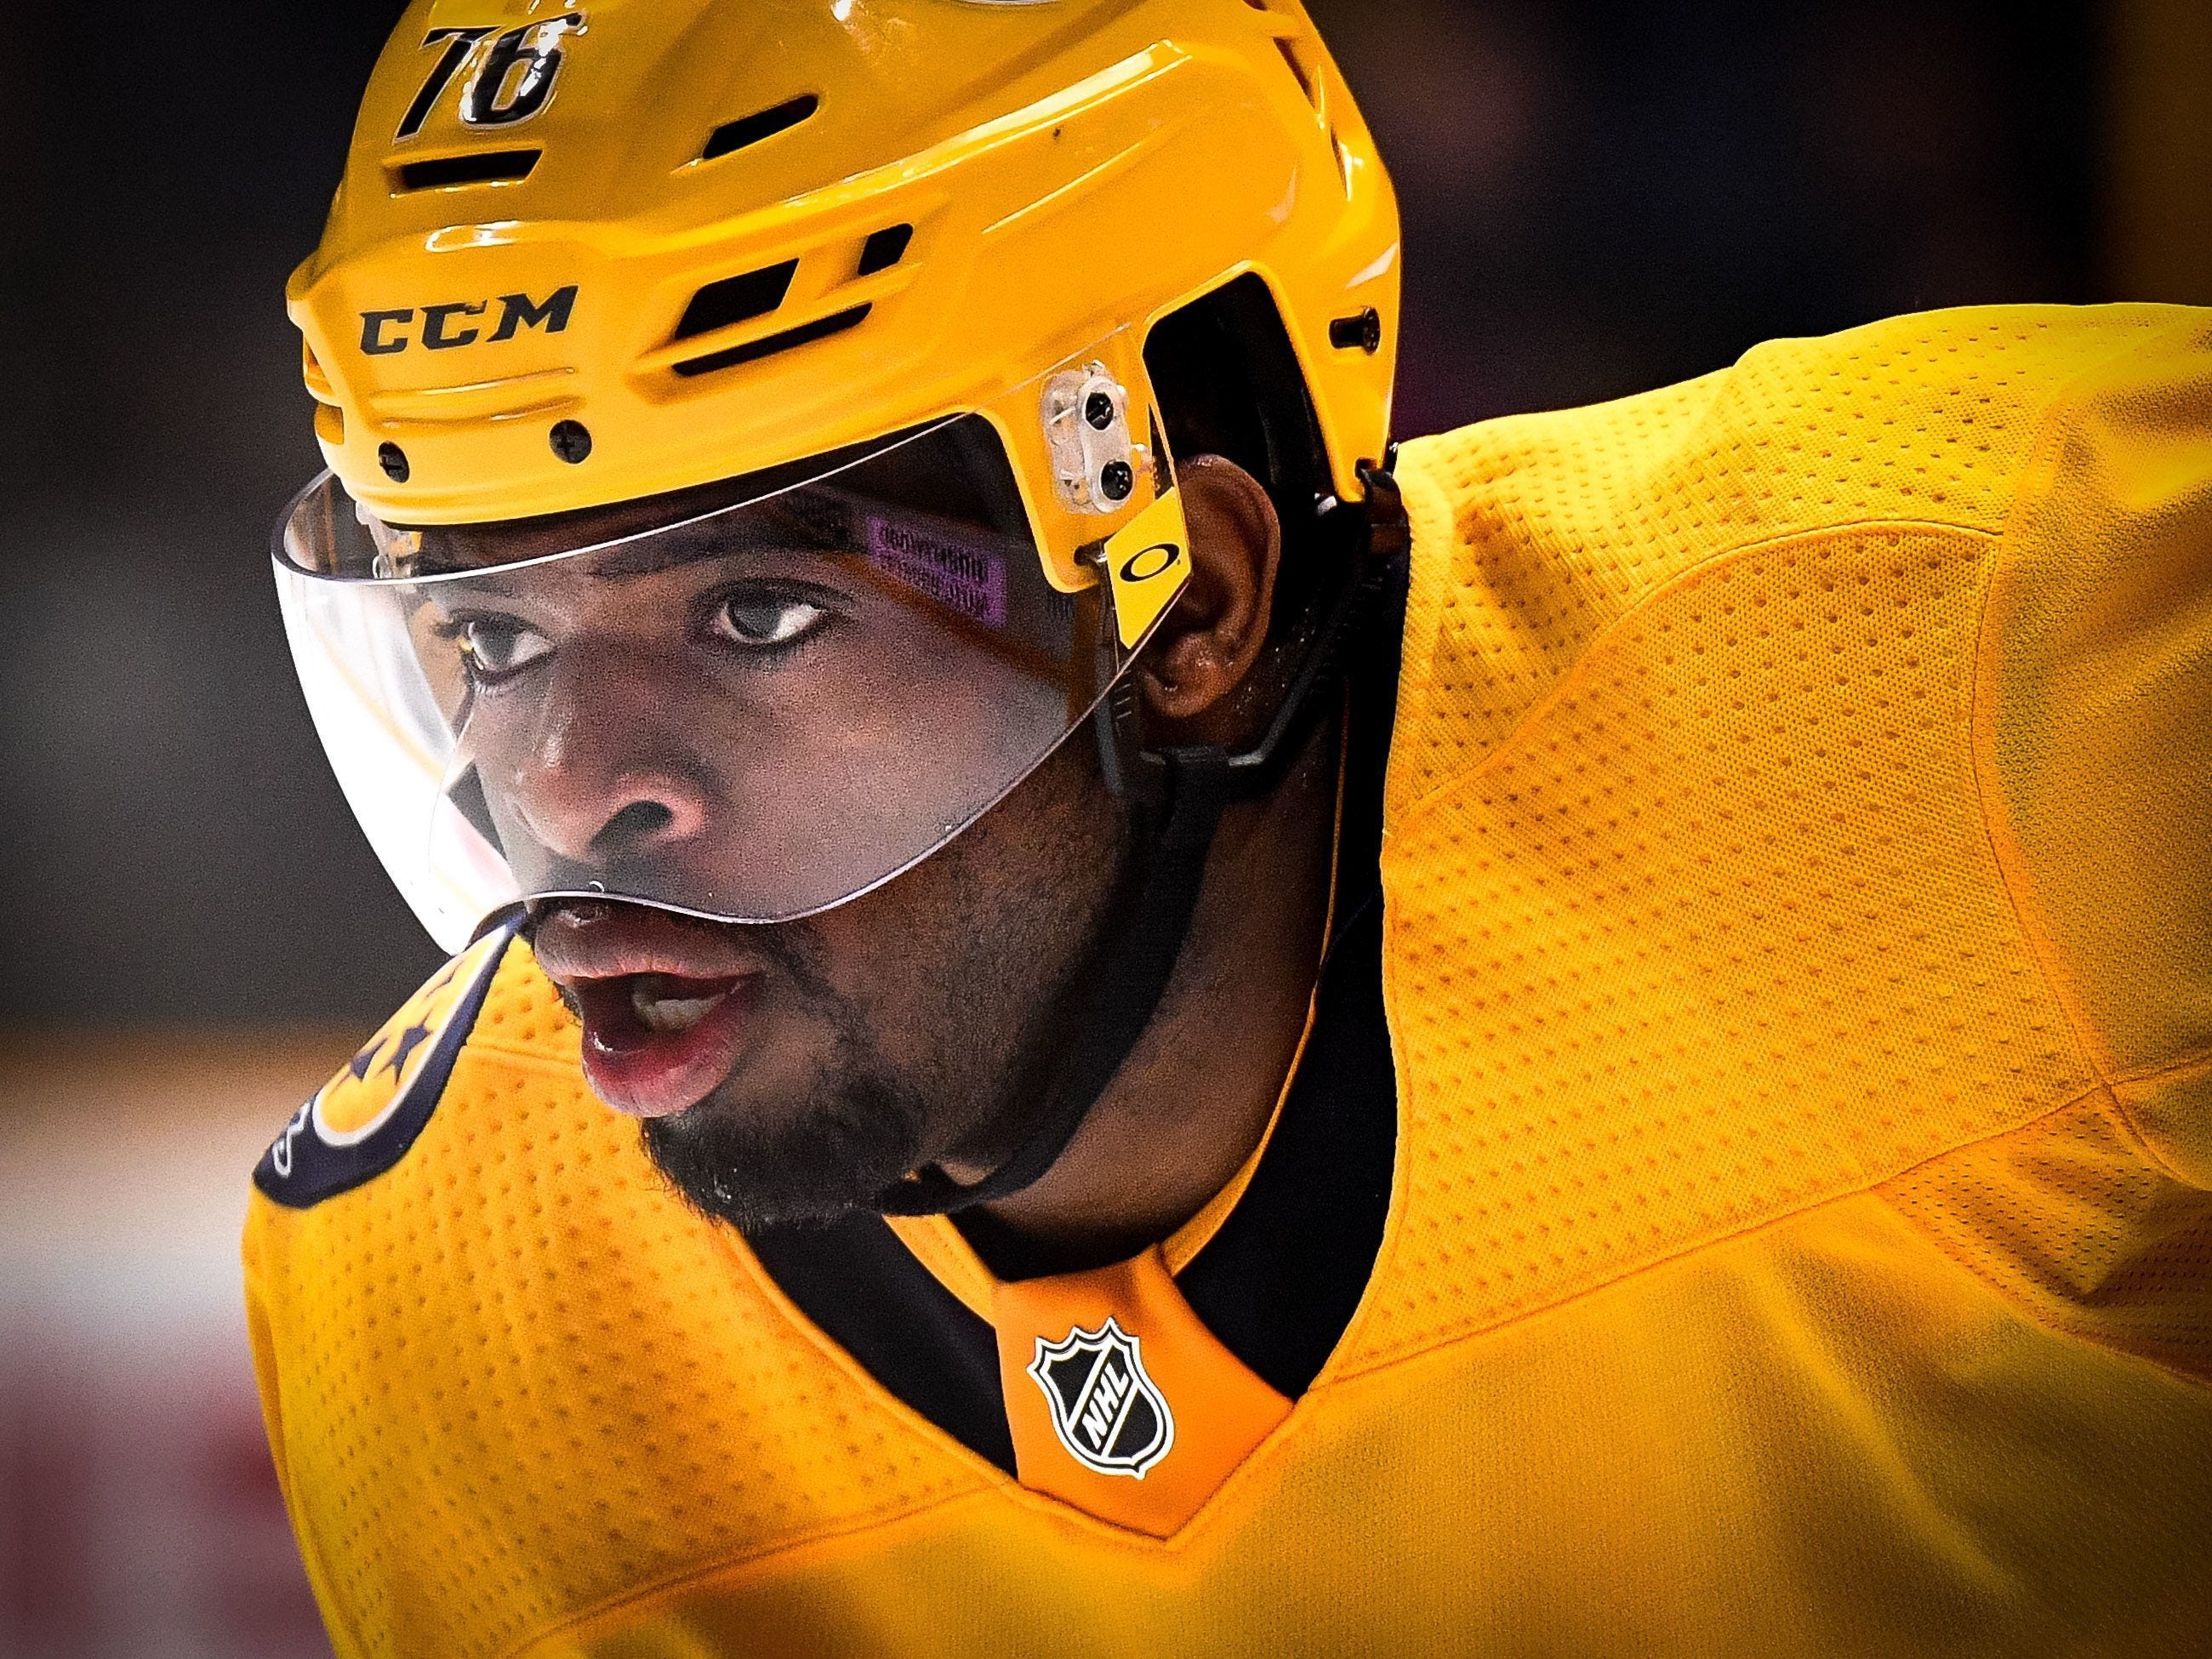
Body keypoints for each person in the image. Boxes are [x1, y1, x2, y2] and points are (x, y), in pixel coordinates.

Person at [244, 2, 2212, 1654]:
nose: (576, 789)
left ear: (1189, 606)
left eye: (761, 613)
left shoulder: (1995, 665)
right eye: (486, 635)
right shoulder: (437, 1292)